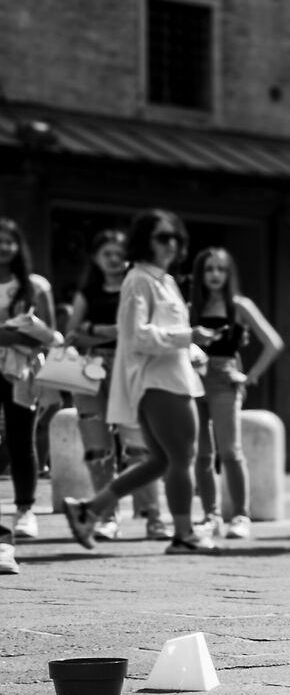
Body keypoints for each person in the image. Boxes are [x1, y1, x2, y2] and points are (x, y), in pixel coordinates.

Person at [63, 210, 213, 553]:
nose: (171, 244)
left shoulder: (166, 280)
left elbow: (156, 335)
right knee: (181, 458)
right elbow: (137, 336)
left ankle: (88, 511)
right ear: (144, 240)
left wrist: (189, 343)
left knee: (160, 461)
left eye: (175, 236)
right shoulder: (139, 280)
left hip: (172, 377)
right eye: (162, 237)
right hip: (159, 381)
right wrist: (189, 336)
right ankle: (183, 534)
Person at [65, 229, 167, 541]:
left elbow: (137, 332)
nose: (114, 259)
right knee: (97, 447)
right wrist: (109, 331)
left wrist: (93, 328)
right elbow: (72, 334)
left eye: (119, 253)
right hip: (88, 369)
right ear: (95, 258)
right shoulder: (87, 292)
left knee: (139, 445)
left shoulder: (135, 286)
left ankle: (154, 518)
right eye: (106, 253)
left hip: (129, 368)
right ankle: (106, 517)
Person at [184, 247, 283, 540]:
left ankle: (240, 515)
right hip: (192, 380)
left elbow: (273, 343)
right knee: (201, 453)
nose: (215, 275)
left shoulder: (239, 305)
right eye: (209, 269)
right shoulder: (190, 307)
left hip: (224, 379)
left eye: (221, 269)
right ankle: (210, 516)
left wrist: (250, 376)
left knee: (230, 450)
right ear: (200, 274)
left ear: (229, 274)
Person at [0, 217, 62, 562]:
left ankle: (25, 509)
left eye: (8, 241)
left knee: (22, 438)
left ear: (18, 246)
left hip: (21, 370)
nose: (3, 247)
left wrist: (14, 335)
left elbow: (51, 335)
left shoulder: (35, 285)